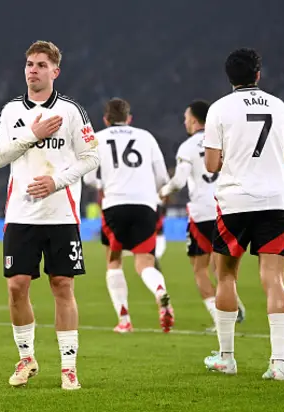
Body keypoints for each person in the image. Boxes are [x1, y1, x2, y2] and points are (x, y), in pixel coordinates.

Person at [0, 40, 99, 390]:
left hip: (61, 213)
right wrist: (30, 135)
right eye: (28, 64)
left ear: (55, 71)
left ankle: (69, 368)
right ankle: (26, 358)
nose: (32, 70)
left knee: (62, 285)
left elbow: (91, 158)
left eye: (39, 64)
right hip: (21, 213)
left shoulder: (72, 111)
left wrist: (56, 181)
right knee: (16, 286)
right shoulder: (10, 113)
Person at [202, 48, 284, 380]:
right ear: (258, 74)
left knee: (226, 276)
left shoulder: (219, 109)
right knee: (275, 280)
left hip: (236, 202)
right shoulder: (279, 106)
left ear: (229, 78)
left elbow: (212, 165)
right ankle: (279, 364)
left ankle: (227, 358)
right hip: (274, 200)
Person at [85, 98, 173, 334]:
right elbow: (163, 179)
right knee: (145, 262)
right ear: (129, 118)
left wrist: (106, 183)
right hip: (145, 205)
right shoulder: (146, 137)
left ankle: (124, 319)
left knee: (114, 261)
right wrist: (147, 191)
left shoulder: (98, 138)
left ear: (106, 119)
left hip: (115, 204)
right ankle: (160, 292)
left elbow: (88, 178)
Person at [159, 100, 246, 331]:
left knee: (200, 269)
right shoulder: (225, 140)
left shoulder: (187, 147)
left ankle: (220, 319)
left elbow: (178, 182)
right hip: (226, 208)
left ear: (195, 120)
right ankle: (233, 301)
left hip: (201, 214)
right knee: (223, 267)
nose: (184, 122)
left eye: (186, 118)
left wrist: (163, 191)